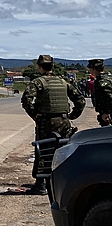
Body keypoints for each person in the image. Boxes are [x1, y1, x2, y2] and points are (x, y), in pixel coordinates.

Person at [21, 54, 85, 195]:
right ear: (53, 66)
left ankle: (41, 185)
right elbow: (80, 100)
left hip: (46, 121)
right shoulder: (64, 82)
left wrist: (34, 115)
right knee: (64, 151)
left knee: (44, 152)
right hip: (64, 121)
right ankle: (64, 182)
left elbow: (26, 99)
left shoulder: (38, 83)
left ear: (39, 67)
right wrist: (71, 116)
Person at [88, 59, 112, 126]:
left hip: (108, 115)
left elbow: (110, 97)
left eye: (90, 68)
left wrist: (106, 112)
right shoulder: (108, 77)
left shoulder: (102, 80)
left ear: (93, 69)